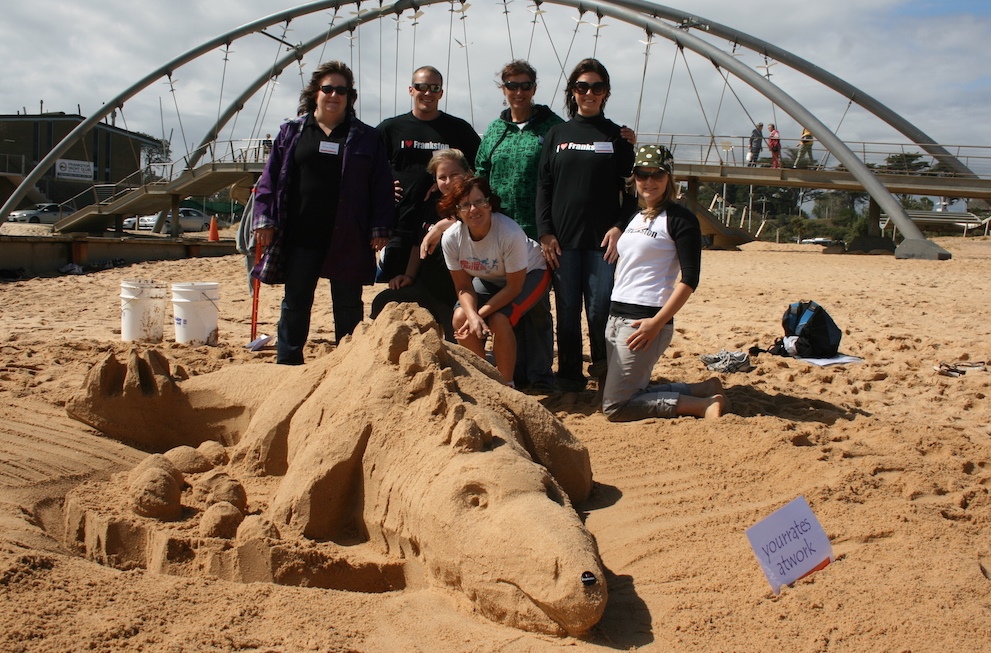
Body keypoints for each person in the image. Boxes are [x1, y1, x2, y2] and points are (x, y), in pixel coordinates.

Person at [253, 61, 395, 365]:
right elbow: (269, 179)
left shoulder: (367, 138)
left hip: (349, 235)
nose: (334, 95)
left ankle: (348, 364)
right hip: (301, 234)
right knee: (296, 301)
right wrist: (264, 220)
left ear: (350, 96)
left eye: (341, 90)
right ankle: (288, 363)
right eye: (327, 88)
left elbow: (381, 185)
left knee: (348, 304)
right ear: (315, 93)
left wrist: (380, 226)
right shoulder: (291, 132)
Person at [601, 144, 726, 421]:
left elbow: (690, 280)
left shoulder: (681, 220)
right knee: (630, 391)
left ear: (669, 177)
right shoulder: (635, 216)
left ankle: (702, 405)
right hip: (617, 317)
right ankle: (703, 388)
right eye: (642, 174)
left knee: (615, 407)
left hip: (646, 320)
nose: (649, 181)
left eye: (657, 174)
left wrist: (656, 323)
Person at [535, 58, 637, 392]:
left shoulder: (617, 136)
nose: (588, 93)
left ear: (605, 92)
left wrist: (620, 226)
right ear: (573, 92)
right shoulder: (557, 134)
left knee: (599, 309)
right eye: (582, 86)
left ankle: (603, 369)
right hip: (562, 240)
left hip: (601, 242)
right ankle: (568, 375)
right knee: (566, 309)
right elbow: (544, 187)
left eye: (596, 87)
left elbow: (633, 190)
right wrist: (545, 232)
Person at [472, 60, 561, 390]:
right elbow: (479, 174)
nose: (519, 92)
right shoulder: (494, 130)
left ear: (534, 89)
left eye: (525, 85)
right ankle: (515, 372)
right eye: (512, 85)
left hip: (539, 234)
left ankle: (539, 376)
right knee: (509, 302)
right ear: (503, 89)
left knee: (535, 306)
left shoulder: (552, 127)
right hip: (498, 233)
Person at [440, 176, 550, 386]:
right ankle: (484, 380)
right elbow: (463, 287)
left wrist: (479, 315)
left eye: (480, 201)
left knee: (499, 319)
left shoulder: (509, 233)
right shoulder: (451, 238)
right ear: (456, 212)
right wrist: (471, 317)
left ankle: (506, 384)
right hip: (490, 277)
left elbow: (514, 287)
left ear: (490, 204)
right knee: (460, 319)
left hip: (530, 273)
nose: (473, 209)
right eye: (465, 205)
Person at [376, 66, 480, 281]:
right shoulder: (391, 128)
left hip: (445, 223)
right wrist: (382, 187)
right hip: (401, 224)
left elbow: (481, 169)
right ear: (411, 90)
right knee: (397, 289)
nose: (428, 93)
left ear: (441, 93)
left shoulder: (458, 128)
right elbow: (367, 167)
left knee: (439, 288)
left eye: (435, 88)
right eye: (421, 87)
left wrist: (448, 183)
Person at [369, 148, 468, 340]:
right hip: (428, 283)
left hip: (459, 289)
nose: (448, 182)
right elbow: (417, 244)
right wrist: (408, 275)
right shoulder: (430, 204)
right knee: (384, 300)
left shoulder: (474, 203)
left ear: (467, 174)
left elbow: (472, 224)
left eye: (454, 175)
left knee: (456, 338)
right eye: (442, 177)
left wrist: (442, 227)